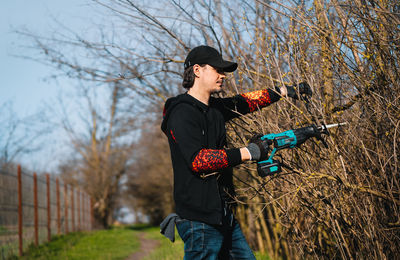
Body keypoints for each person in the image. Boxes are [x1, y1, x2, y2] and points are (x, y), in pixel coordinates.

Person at [160, 45, 311, 259]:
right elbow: (198, 160)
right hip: (199, 220)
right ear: (197, 70)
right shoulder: (182, 113)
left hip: (223, 214)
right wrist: (249, 152)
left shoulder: (214, 109)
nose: (223, 76)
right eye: (217, 70)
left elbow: (246, 102)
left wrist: (284, 91)